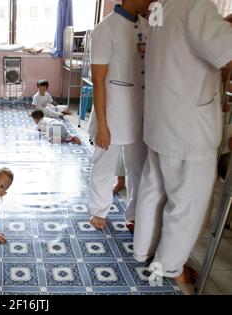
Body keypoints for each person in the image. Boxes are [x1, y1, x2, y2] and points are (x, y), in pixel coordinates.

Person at [133, 0, 232, 284]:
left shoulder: (162, 6)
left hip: (160, 121)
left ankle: (142, 251)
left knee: (154, 189)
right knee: (187, 202)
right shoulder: (197, 5)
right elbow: (225, 51)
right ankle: (168, 267)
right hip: (188, 129)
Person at [87, 0, 152, 231]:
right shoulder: (106, 29)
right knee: (104, 164)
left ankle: (133, 213)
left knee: (138, 166)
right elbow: (97, 80)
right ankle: (99, 210)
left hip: (140, 111)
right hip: (113, 113)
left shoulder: (147, 26)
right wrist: (102, 125)